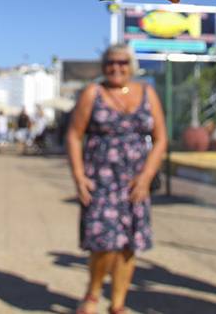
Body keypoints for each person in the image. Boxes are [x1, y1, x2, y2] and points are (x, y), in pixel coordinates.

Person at [66, 44, 167, 314]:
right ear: (103, 65)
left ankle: (118, 303)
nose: (117, 67)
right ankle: (93, 293)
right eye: (111, 62)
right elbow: (74, 135)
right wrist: (78, 175)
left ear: (131, 65)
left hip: (135, 180)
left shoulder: (147, 93)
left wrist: (147, 176)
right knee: (103, 242)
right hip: (100, 178)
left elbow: (160, 138)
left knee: (128, 244)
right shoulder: (93, 93)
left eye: (122, 62)